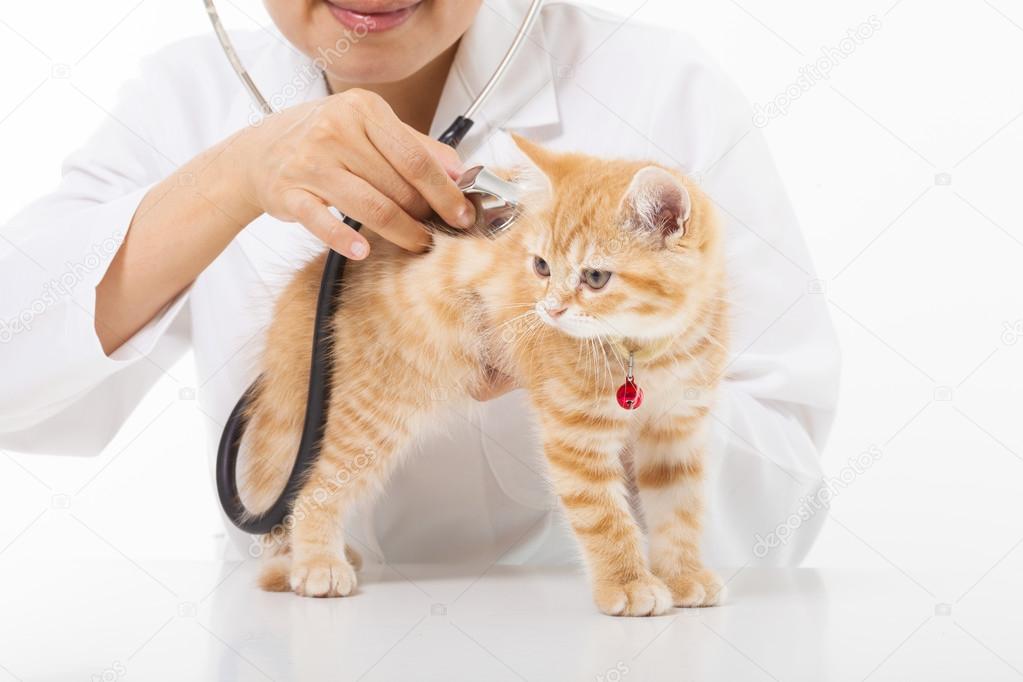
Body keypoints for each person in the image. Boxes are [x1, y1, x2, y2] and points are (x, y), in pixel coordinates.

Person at [0, 0, 840, 566]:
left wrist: (592, 369)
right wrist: (232, 178)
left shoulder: (657, 85)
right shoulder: (186, 97)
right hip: (296, 646)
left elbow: (785, 505)